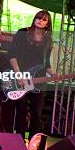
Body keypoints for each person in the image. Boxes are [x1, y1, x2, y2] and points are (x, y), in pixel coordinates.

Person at [8, 9, 55, 141]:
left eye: (44, 19)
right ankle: (19, 140)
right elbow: (12, 55)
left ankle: (33, 143)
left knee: (37, 113)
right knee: (21, 110)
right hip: (20, 78)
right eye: (38, 18)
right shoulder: (22, 33)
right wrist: (18, 75)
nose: (40, 20)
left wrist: (53, 74)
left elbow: (46, 64)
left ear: (47, 24)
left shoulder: (48, 40)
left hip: (38, 80)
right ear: (34, 19)